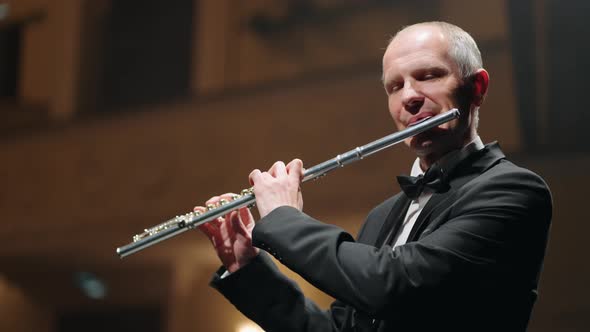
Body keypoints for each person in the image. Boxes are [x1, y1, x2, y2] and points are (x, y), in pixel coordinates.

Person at [195, 21, 552, 332]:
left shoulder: (513, 190)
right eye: (395, 86)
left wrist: (283, 220)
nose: (409, 97)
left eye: (428, 76)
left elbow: (396, 284)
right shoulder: (382, 216)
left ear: (477, 88)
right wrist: (248, 266)